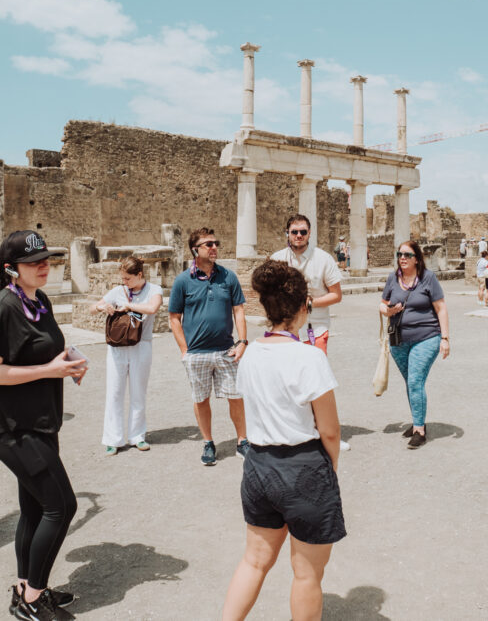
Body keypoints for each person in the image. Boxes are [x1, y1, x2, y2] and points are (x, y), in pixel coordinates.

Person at [221, 259, 345, 621]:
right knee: (307, 574)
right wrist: (330, 467)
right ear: (304, 305)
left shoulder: (251, 354)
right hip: (304, 467)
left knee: (254, 562)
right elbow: (330, 430)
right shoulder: (309, 357)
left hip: (259, 466)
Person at [0, 229, 86, 620]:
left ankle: (25, 586)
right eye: (34, 262)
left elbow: (43, 349)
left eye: (47, 259)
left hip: (41, 422)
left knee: (35, 509)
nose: (44, 266)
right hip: (13, 428)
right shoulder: (2, 307)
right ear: (10, 269)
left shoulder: (38, 301)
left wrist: (68, 360)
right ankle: (34, 598)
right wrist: (49, 369)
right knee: (61, 506)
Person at [169, 227, 249, 466]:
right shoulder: (183, 281)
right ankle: (208, 443)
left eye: (216, 243)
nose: (214, 247)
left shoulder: (228, 276)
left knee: (236, 397)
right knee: (201, 399)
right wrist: (185, 350)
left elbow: (239, 310)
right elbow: (174, 318)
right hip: (197, 353)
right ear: (195, 250)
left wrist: (243, 341)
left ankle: (242, 441)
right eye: (208, 244)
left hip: (226, 349)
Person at [271, 214, 351, 452]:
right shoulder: (277, 259)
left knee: (318, 382)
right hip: (286, 329)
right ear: (287, 233)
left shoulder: (323, 259)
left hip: (315, 328)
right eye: (294, 231)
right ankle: (295, 430)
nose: (298, 236)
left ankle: (327, 432)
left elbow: (336, 295)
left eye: (303, 232)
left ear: (309, 233)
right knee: (288, 382)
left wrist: (310, 303)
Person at [379, 240, 450, 449]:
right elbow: (382, 305)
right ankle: (417, 420)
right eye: (400, 254)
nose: (402, 258)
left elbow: (441, 308)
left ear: (417, 259)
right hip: (398, 340)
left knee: (415, 381)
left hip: (426, 337)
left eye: (407, 255)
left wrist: (445, 338)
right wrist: (389, 311)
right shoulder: (393, 278)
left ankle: (419, 429)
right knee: (411, 382)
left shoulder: (428, 279)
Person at [92, 256, 163, 456]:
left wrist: (129, 306)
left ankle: (137, 436)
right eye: (122, 278)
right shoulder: (117, 291)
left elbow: (152, 308)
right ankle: (113, 438)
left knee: (138, 392)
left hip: (142, 345)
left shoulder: (154, 290)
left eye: (128, 279)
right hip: (118, 347)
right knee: (114, 392)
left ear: (139, 275)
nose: (124, 283)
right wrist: (101, 307)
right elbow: (92, 307)